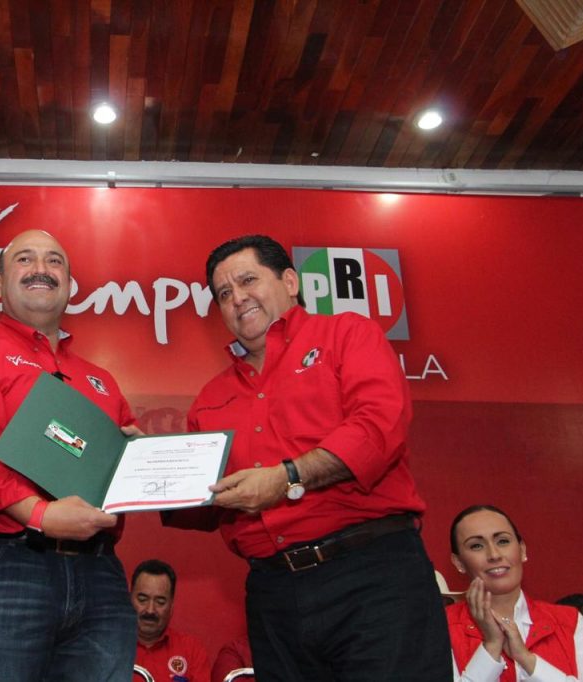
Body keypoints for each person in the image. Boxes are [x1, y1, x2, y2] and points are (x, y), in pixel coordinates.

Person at [185, 234, 451, 680]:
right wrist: (141, 463)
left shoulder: (347, 334)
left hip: (372, 575)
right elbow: (201, 505)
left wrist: (287, 477)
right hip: (274, 594)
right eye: (224, 293)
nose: (237, 298)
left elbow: (377, 428)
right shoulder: (210, 398)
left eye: (248, 280)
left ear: (290, 282)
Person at [0, 229, 139, 681]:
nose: (41, 269)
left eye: (54, 261)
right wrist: (41, 515)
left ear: (70, 286)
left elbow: (115, 477)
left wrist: (137, 459)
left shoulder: (101, 380)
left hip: (98, 574)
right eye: (25, 259)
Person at [447, 504, 583, 681]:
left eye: (503, 541)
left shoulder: (570, 622)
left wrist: (526, 659)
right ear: (459, 562)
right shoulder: (441, 626)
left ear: (522, 550)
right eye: (476, 546)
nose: (494, 555)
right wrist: (491, 646)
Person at [130, 559, 210, 682]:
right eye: (142, 600)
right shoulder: (107, 646)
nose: (150, 610)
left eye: (160, 602)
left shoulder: (191, 651)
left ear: (171, 606)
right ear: (129, 600)